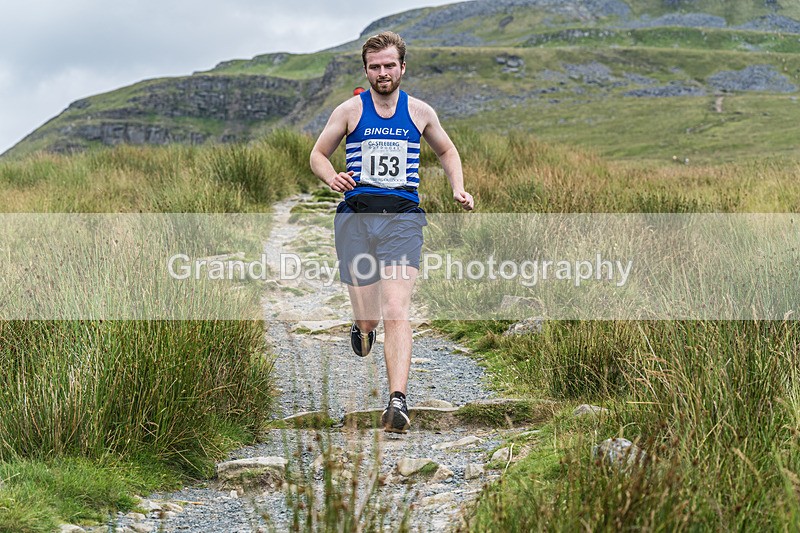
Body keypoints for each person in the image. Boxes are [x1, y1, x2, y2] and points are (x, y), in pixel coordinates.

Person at [310, 31, 474, 433]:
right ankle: (361, 327)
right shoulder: (349, 110)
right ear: (366, 70)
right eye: (375, 66)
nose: (382, 73)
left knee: (396, 309)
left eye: (389, 65)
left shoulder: (420, 112)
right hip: (356, 217)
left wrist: (457, 186)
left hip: (403, 218)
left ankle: (397, 400)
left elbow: (447, 151)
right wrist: (332, 176)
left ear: (403, 67)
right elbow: (317, 154)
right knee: (369, 320)